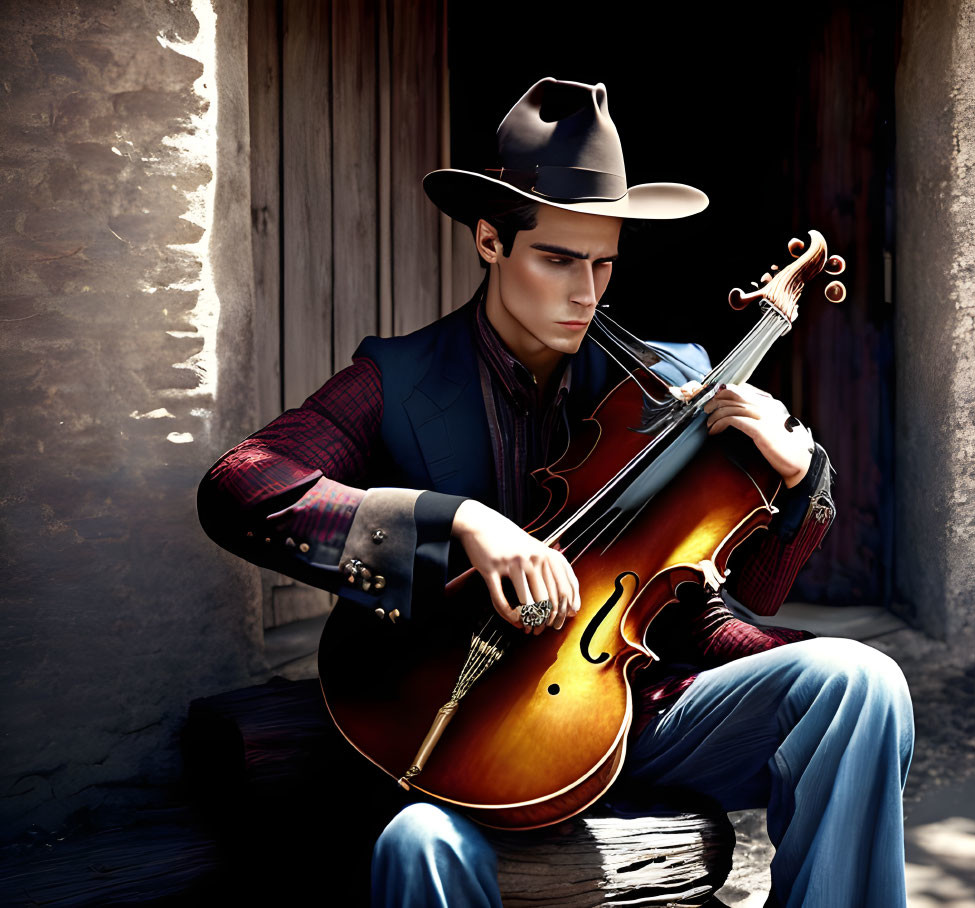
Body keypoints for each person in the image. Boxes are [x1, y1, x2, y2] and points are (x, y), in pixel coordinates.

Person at [199, 77, 914, 907]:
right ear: (490, 241)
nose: (586, 292)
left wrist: (797, 483)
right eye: (557, 259)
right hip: (459, 734)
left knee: (862, 684)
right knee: (417, 846)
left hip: (630, 715)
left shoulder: (668, 382)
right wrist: (457, 523)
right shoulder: (396, 379)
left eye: (604, 262)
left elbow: (722, 602)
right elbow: (241, 488)